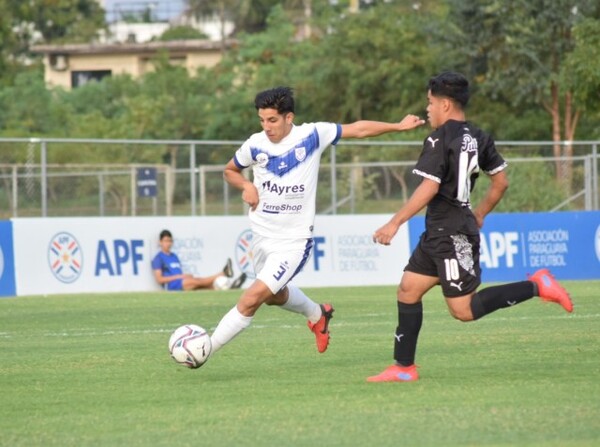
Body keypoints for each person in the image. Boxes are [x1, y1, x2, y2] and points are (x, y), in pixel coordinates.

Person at [367, 71, 573, 383]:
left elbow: (429, 188)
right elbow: (500, 182)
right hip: (441, 231)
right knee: (409, 289)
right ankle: (403, 368)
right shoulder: (479, 136)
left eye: (430, 103)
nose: (428, 109)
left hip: (450, 234)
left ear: (445, 105)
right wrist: (479, 213)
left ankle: (537, 285)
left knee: (463, 310)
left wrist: (395, 222)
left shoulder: (438, 138)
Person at [209, 86, 425, 355]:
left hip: (293, 241)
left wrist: (397, 126)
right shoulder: (254, 144)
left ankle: (204, 349)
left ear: (289, 117)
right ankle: (317, 314)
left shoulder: (312, 134)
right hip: (262, 237)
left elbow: (357, 129)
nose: (267, 127)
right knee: (273, 297)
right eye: (262, 120)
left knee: (251, 298)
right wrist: (245, 185)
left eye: (273, 120)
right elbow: (230, 170)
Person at [152, 229, 247, 291]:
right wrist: (179, 276)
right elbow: (159, 279)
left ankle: (229, 287)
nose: (168, 243)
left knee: (203, 286)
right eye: (165, 241)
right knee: (198, 281)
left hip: (182, 281)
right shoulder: (158, 258)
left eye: (170, 241)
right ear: (160, 242)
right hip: (172, 286)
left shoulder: (174, 256)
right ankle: (222, 274)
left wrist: (183, 276)